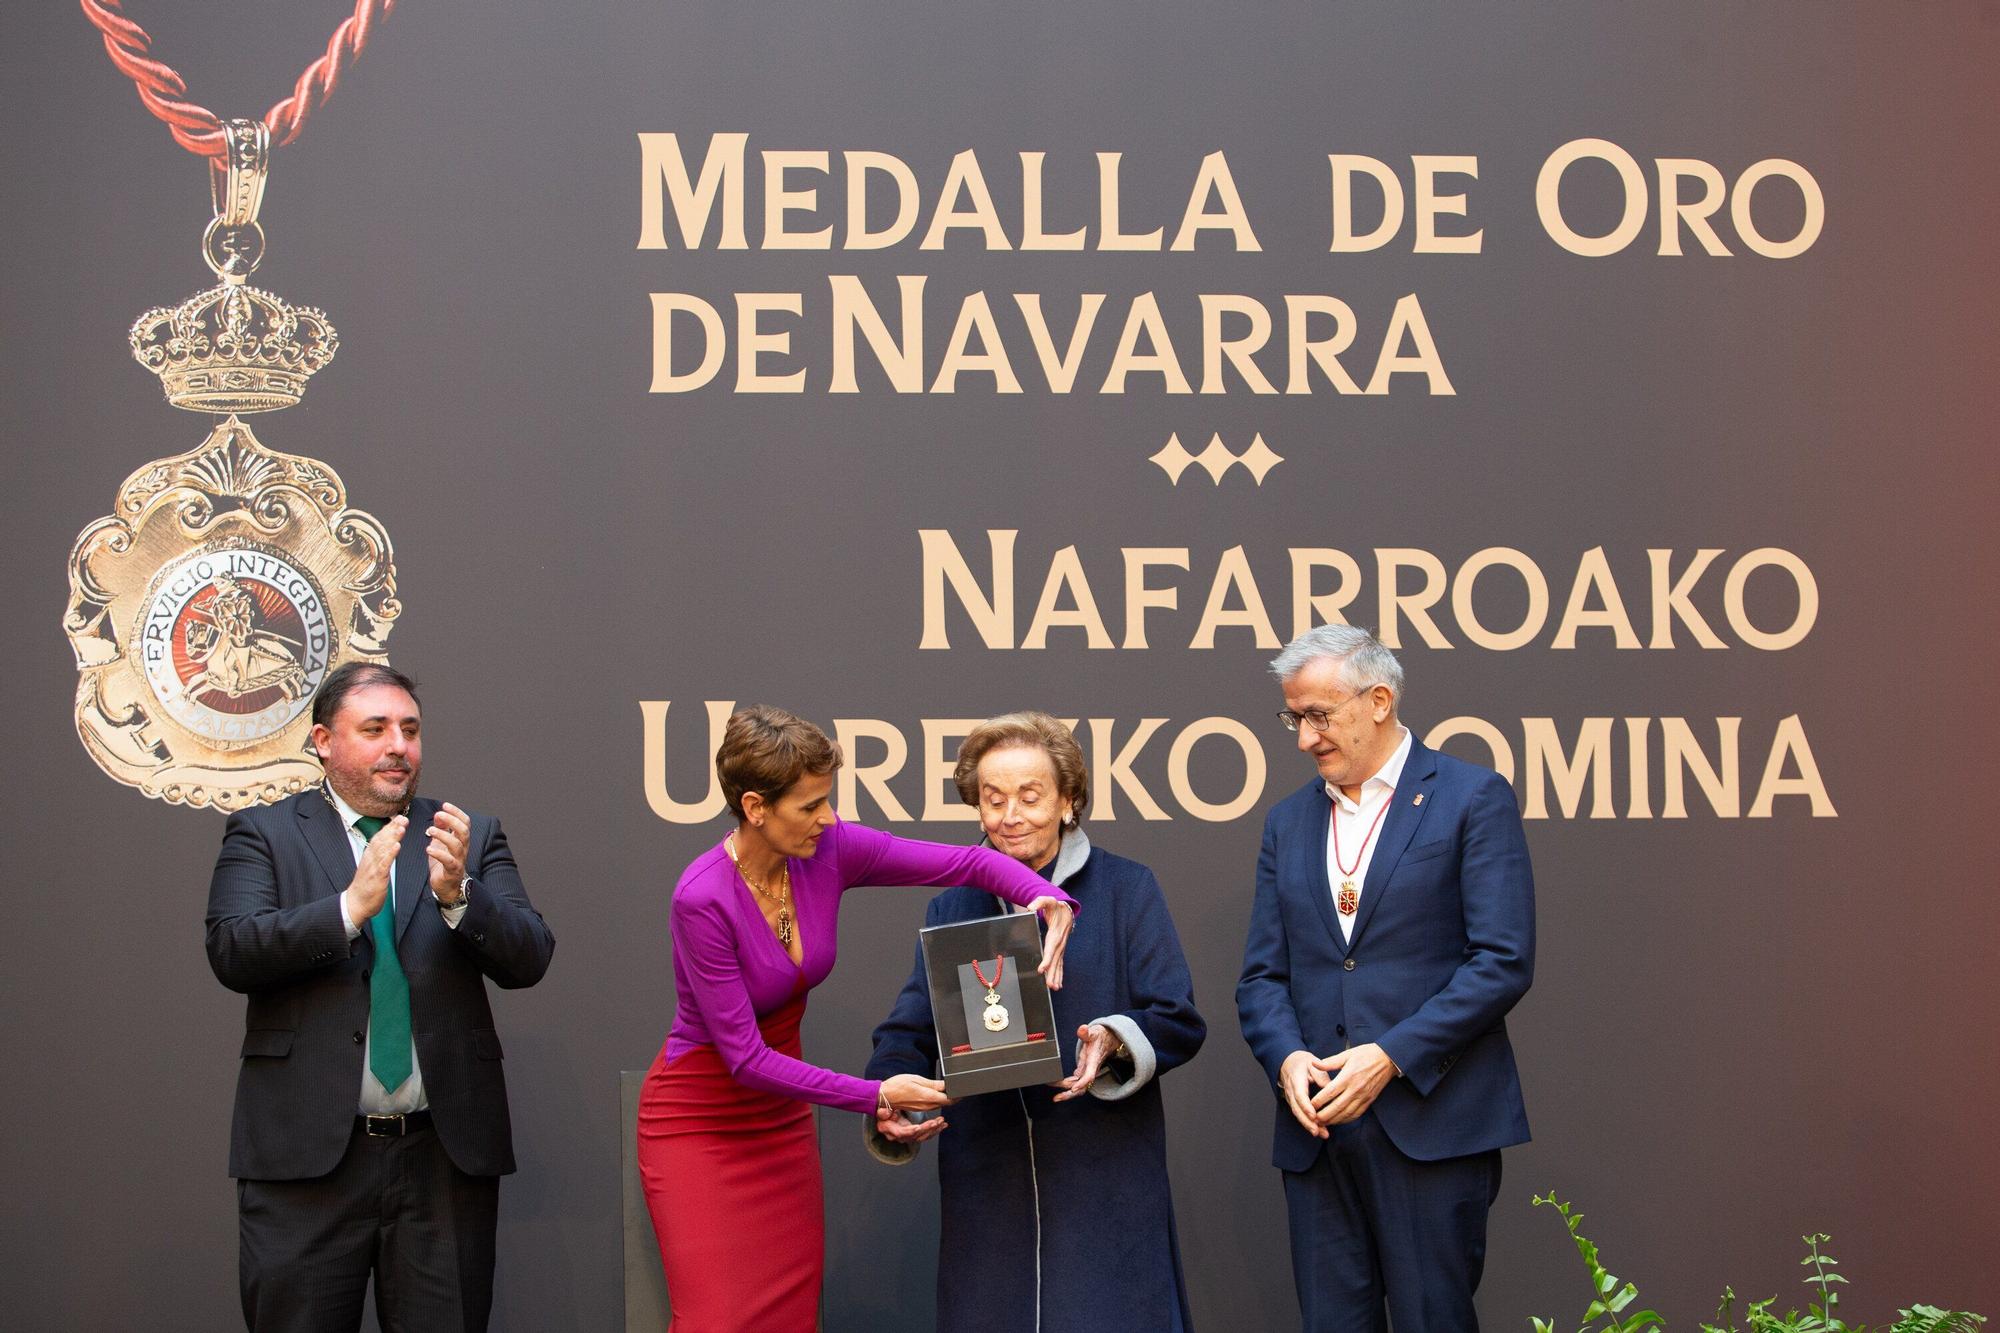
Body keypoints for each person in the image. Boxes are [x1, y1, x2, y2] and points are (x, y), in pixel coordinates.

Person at [637, 705, 1078, 1333]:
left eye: (829, 800)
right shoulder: (701, 897)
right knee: (718, 1320)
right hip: (697, 1120)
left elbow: (967, 863)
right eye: (810, 805)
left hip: (779, 1122)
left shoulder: (829, 849)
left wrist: (1049, 898)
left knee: (787, 1316)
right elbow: (745, 1059)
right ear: (756, 807)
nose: (829, 818)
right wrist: (874, 1094)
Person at [204, 661, 556, 1332]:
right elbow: (232, 947)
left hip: (441, 1161)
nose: (399, 744)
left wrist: (460, 897)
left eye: (410, 728)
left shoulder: (466, 835)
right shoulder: (265, 832)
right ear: (322, 741)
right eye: (375, 728)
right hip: (305, 1164)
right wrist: (346, 908)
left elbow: (531, 955)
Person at [865, 711, 1206, 1332]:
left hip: (1103, 1167)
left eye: (1030, 796)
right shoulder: (954, 901)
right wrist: (890, 1093)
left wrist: (1115, 1038)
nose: (1010, 815)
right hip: (987, 1175)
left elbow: (1176, 1018)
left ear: (1069, 801)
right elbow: (908, 1032)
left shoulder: (1127, 888)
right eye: (993, 799)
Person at [1236, 626, 1535, 1332]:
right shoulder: (1286, 822)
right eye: (1293, 717)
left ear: (1378, 699)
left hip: (1432, 1123)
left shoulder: (1471, 797)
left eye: (1318, 715)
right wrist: (1286, 1057)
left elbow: (1502, 959)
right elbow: (1261, 976)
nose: (1304, 738)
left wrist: (1391, 1054)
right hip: (1317, 1136)